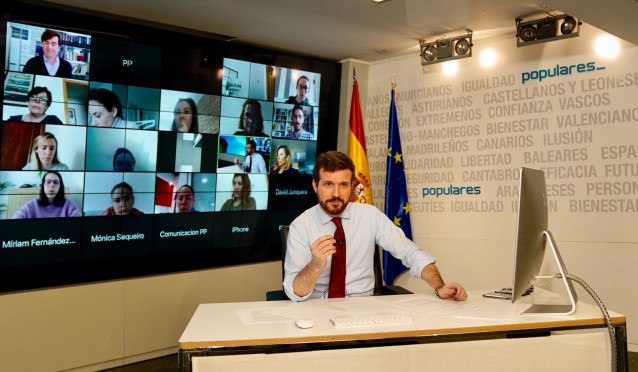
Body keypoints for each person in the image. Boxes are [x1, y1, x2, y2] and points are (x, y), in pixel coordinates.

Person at [283, 151, 467, 301]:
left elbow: (411, 253)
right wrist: (315, 265)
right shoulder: (301, 226)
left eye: (344, 185)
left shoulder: (370, 215)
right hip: (316, 310)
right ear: (315, 185)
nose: (336, 193)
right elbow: (294, 291)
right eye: (328, 184)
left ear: (353, 187)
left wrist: (439, 286)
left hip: (363, 308)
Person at [12, 171, 81, 219]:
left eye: (56, 182)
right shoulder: (32, 204)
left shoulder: (69, 204)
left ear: (60, 186)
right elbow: (15, 221)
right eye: (48, 182)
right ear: (43, 186)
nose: (51, 185)